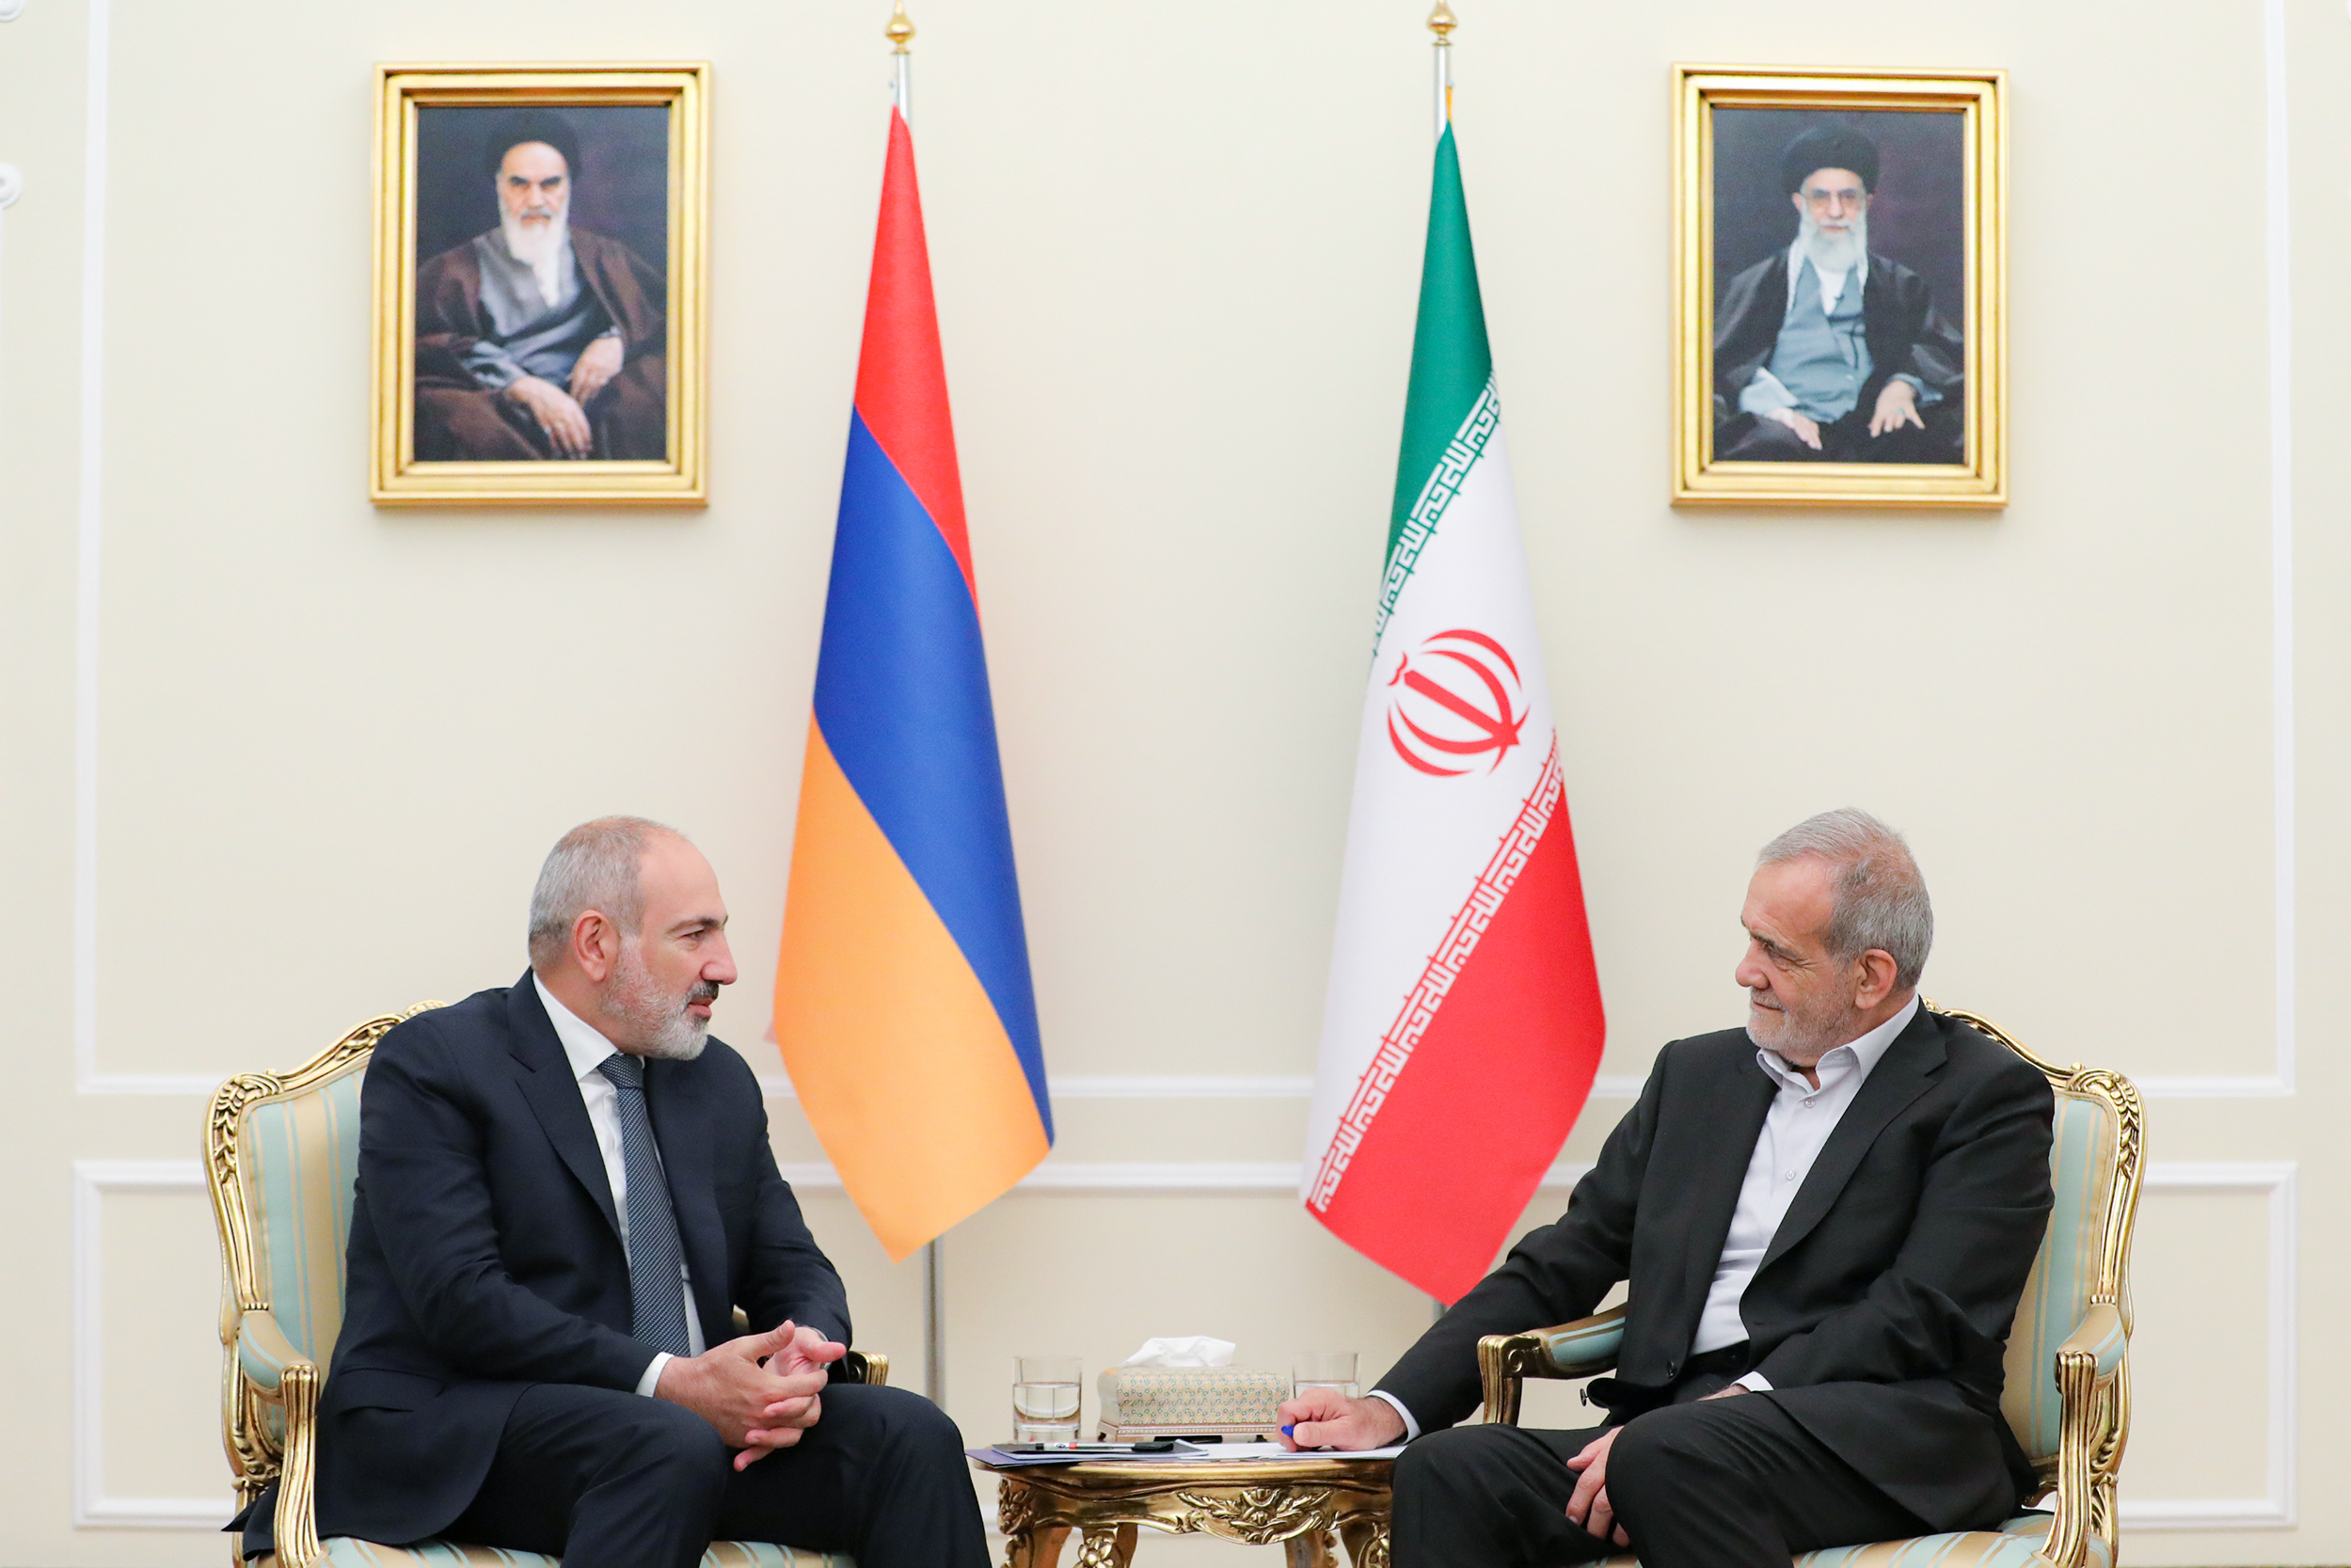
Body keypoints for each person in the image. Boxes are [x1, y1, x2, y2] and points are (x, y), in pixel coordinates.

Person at [1278, 809, 2056, 1568]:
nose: (1744, 969)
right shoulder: (1695, 1076)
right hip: (1666, 1430)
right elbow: (1563, 1259)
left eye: (1775, 950)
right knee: (1449, 1469)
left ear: (1869, 975)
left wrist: (1730, 1406)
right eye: (1748, 936)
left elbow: (1921, 1311)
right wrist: (1389, 1406)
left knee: (1666, 1450)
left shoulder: (1983, 1095)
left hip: (1871, 1436)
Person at [234, 816, 988, 1568]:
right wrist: (671, 1382)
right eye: (694, 935)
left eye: (720, 933)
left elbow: (790, 1260)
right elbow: (460, 1298)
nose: (725, 966)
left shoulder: (714, 1078)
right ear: (596, 944)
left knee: (909, 1432)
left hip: (681, 1443)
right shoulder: (440, 1063)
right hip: (473, 1433)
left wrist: (800, 1355)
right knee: (665, 1438)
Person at [414, 110, 668, 462]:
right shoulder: (451, 270)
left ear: (568, 187)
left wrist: (615, 341)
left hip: (595, 401)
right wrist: (525, 388)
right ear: (498, 185)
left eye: (550, 184)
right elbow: (430, 346)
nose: (535, 200)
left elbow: (662, 316)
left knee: (650, 387)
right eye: (519, 184)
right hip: (502, 403)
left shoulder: (605, 256)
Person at [1712, 126, 1966, 464]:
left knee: (1931, 446)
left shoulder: (1900, 284)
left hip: (1874, 427)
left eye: (1849, 197)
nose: (1835, 212)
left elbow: (1939, 349)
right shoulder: (1758, 283)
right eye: (1821, 198)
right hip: (1787, 429)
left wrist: (1903, 385)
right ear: (1799, 203)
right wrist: (1774, 408)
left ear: (1867, 203)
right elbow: (1726, 363)